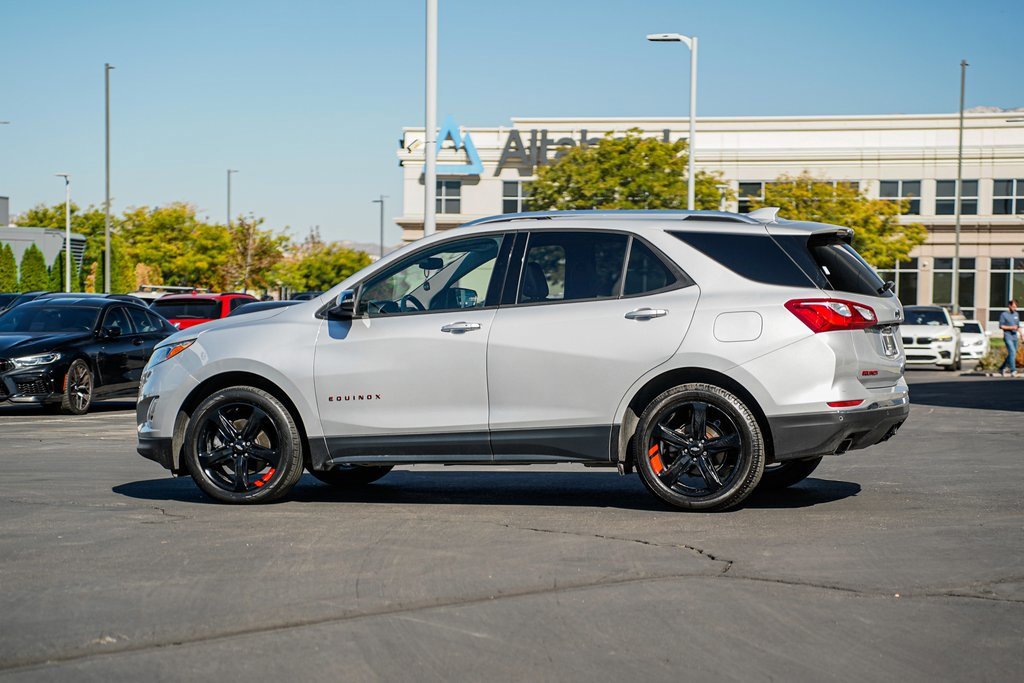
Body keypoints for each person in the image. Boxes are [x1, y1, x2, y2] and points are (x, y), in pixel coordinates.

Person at [999, 299, 1020, 377]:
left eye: (1016, 307)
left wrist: (1022, 335)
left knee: (1012, 354)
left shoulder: (1016, 314)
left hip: (1015, 336)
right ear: (1009, 306)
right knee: (1012, 352)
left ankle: (1002, 368)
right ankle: (1013, 370)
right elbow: (1001, 326)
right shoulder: (1004, 315)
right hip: (1008, 336)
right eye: (1013, 306)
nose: (1015, 308)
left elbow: (1018, 326)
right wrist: (1011, 327)